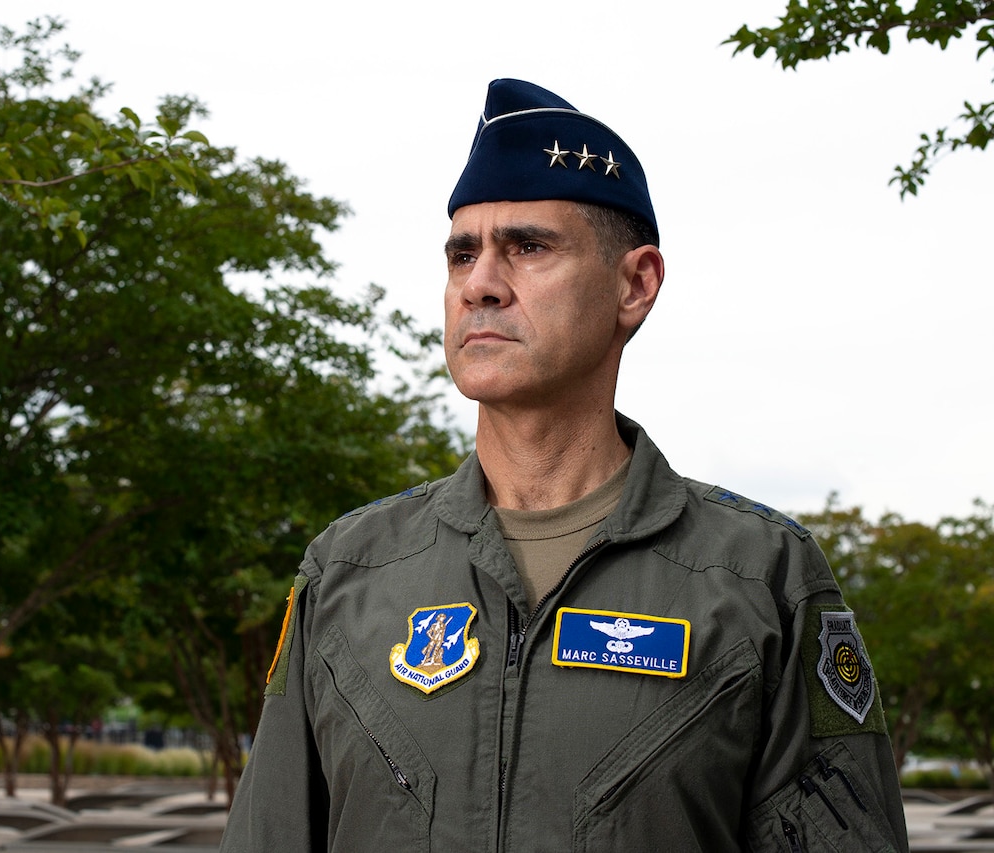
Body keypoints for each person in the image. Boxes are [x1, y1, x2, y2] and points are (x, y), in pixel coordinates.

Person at [219, 78, 909, 852]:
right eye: (462, 254)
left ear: (635, 283)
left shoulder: (759, 578)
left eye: (528, 247)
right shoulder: (348, 572)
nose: (479, 284)